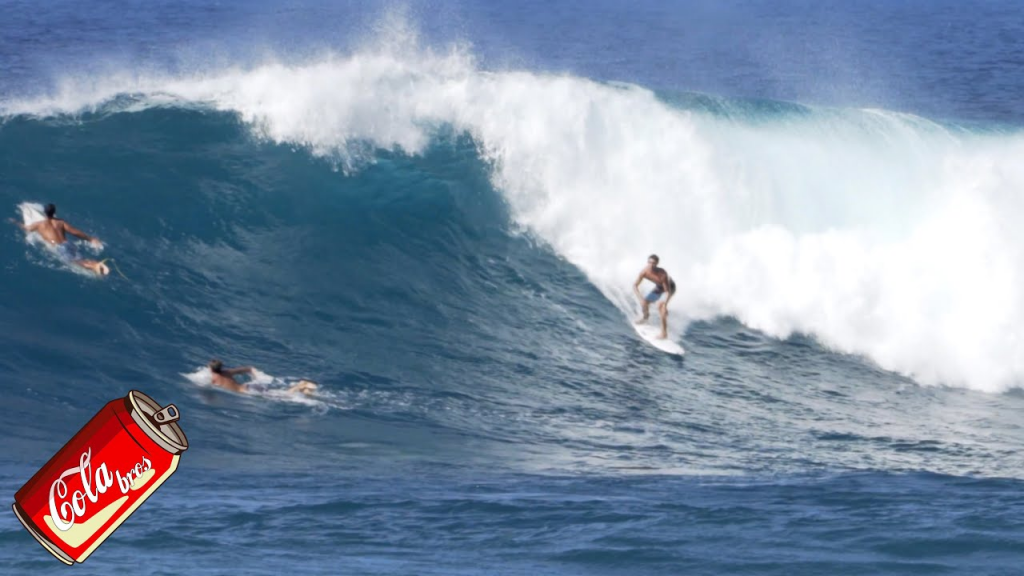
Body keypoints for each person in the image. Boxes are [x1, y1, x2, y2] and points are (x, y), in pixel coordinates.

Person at [9, 203, 109, 276]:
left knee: (73, 261)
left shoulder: (40, 224)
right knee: (80, 258)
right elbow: (75, 232)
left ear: (45, 212)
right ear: (54, 212)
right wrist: (90, 239)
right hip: (68, 243)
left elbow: (27, 228)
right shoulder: (60, 222)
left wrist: (15, 222)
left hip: (60, 248)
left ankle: (93, 267)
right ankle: (95, 263)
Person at [207, 359, 318, 396]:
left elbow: (210, 392)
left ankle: (301, 385)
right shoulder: (227, 372)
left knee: (282, 396)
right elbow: (248, 368)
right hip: (249, 386)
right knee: (277, 392)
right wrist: (256, 377)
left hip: (248, 391)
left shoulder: (214, 379)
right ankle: (304, 389)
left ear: (211, 369)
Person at [633, 254, 676, 339]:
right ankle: (645, 318)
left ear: (657, 264)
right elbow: (635, 285)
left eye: (653, 263)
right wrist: (640, 298)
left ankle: (664, 334)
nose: (651, 265)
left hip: (670, 288)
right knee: (644, 302)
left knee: (661, 307)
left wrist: (665, 304)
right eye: (649, 262)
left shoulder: (662, 273)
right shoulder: (644, 272)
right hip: (659, 287)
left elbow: (667, 292)